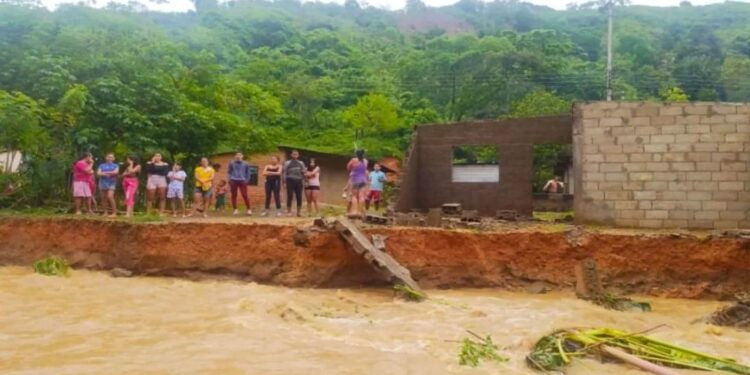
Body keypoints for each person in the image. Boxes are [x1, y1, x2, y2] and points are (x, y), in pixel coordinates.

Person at [282, 150, 306, 217]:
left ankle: (299, 212)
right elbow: (284, 173)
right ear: (291, 155)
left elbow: (303, 172)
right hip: (290, 180)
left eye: (296, 154)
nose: (295, 155)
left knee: (299, 196)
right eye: (294, 154)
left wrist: (304, 180)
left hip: (299, 181)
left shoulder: (301, 163)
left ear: (298, 155)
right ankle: (289, 212)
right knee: (290, 196)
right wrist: (284, 182)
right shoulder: (287, 163)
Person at [346, 149, 369, 218]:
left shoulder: (353, 160)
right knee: (361, 196)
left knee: (354, 196)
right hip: (363, 180)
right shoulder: (366, 161)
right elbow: (364, 169)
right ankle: (359, 212)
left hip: (355, 180)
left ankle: (354, 211)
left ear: (356, 154)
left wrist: (353, 168)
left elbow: (348, 168)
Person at [97, 153, 119, 217]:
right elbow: (98, 173)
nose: (110, 158)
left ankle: (114, 213)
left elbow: (116, 172)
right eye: (108, 157)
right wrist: (110, 173)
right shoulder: (101, 165)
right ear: (106, 158)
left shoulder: (115, 165)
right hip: (102, 182)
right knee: (103, 198)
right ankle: (105, 212)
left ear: (114, 158)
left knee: (110, 196)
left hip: (111, 183)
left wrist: (104, 173)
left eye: (111, 157)